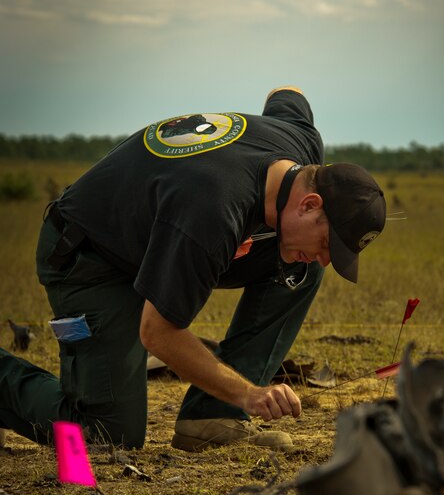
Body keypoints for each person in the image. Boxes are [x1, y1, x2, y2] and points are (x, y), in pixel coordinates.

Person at [0, 87, 386, 452]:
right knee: (105, 435)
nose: (323, 256)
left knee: (301, 270)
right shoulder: (213, 213)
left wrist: (249, 234)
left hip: (157, 237)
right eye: (326, 244)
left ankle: (210, 418)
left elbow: (288, 93)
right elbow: (158, 333)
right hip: (88, 256)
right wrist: (249, 393)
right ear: (308, 204)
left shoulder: (301, 144)